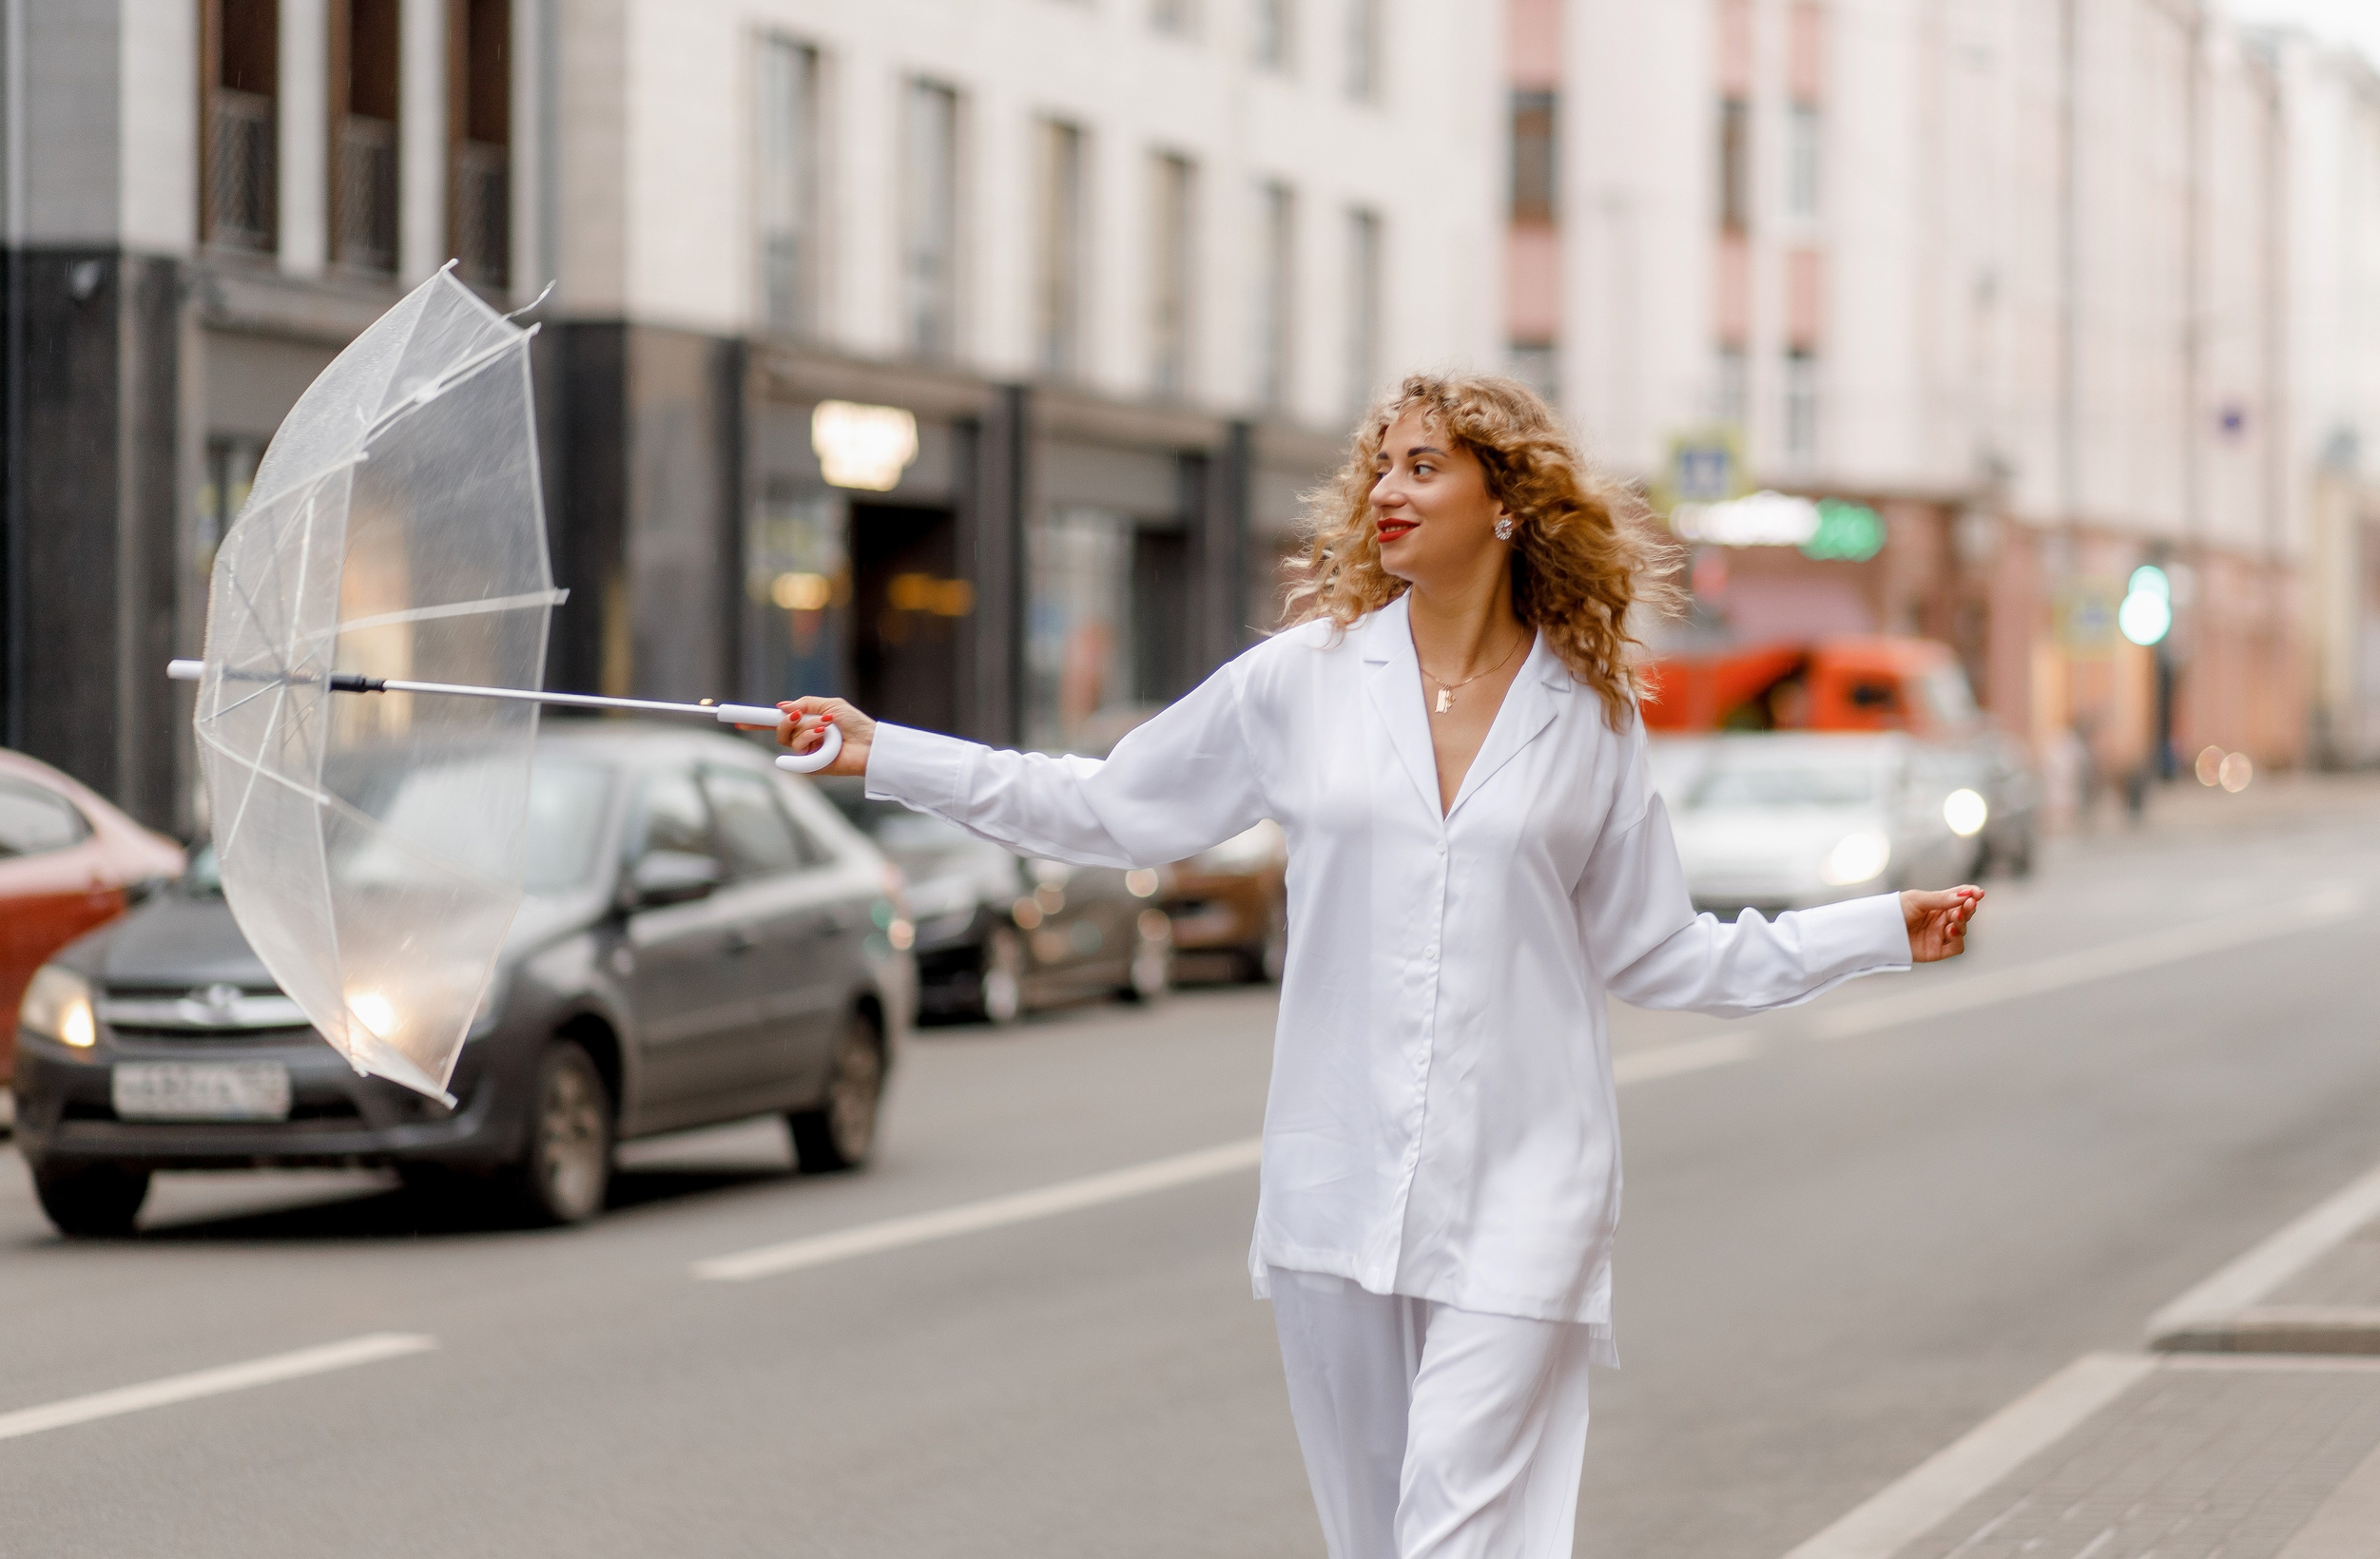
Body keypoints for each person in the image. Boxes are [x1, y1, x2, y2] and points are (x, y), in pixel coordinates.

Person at [760, 373, 1982, 1559]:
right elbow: (1111, 808)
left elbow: (1661, 952)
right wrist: (888, 755)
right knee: (1378, 1539)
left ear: (1505, 503)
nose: (1387, 490)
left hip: (1527, 1191)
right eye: (1380, 466)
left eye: (1422, 466)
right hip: (1337, 1186)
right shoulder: (1305, 682)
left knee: (1452, 1529)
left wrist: (1874, 931)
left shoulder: (1590, 715)